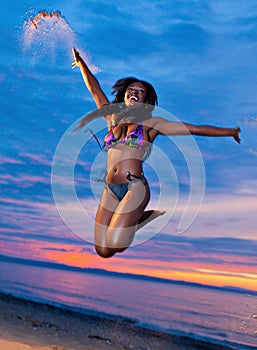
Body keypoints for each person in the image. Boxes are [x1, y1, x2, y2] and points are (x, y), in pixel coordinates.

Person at [72, 48, 241, 258]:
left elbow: (193, 128)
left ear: (146, 100)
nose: (134, 92)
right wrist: (81, 64)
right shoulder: (111, 118)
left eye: (140, 91)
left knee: (116, 241)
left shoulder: (152, 124)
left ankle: (136, 218)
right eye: (131, 89)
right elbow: (94, 89)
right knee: (103, 250)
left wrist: (230, 132)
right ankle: (139, 219)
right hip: (110, 189)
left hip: (135, 188)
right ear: (124, 95)